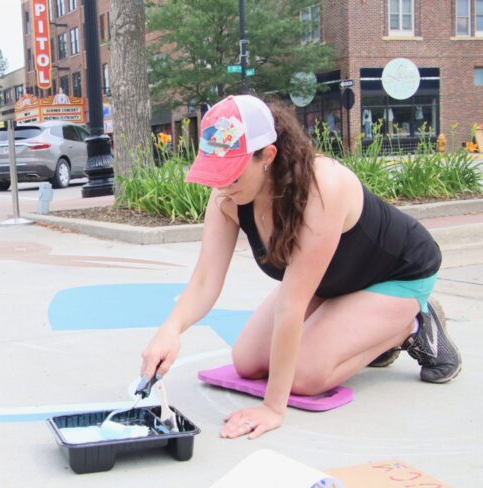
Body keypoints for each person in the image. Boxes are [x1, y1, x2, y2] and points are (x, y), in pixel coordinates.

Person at [140, 95, 461, 441]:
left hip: (396, 273)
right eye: (215, 172)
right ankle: (370, 332)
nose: (222, 184)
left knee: (304, 376)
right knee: (246, 359)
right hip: (334, 280)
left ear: (267, 156)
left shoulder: (322, 187)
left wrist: (273, 408)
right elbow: (205, 281)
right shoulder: (227, 197)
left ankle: (412, 324)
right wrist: (170, 330)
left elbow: (291, 306)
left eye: (231, 172)